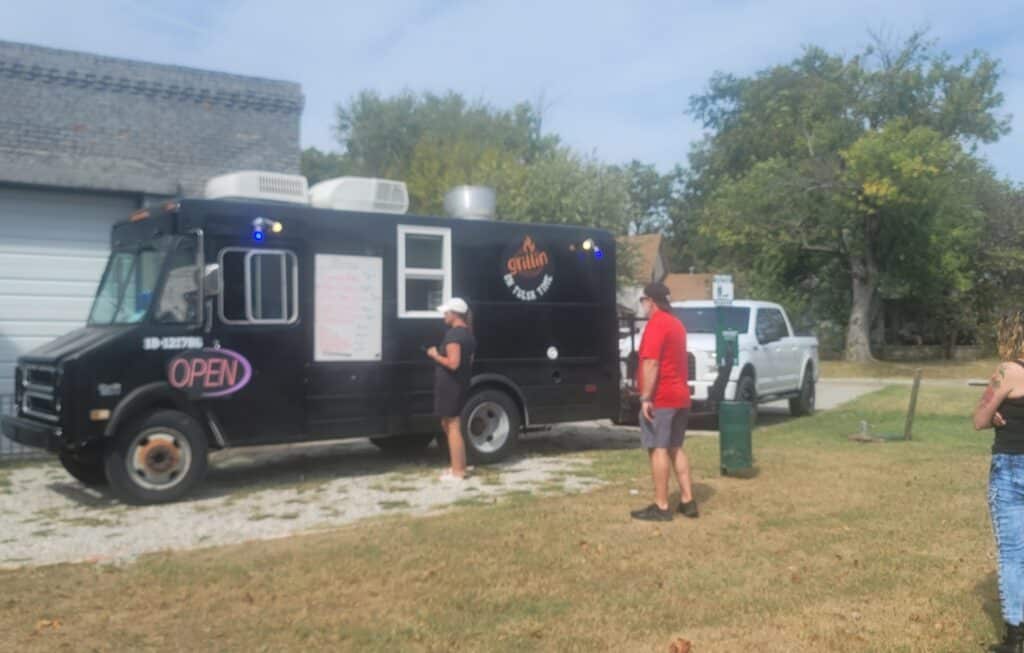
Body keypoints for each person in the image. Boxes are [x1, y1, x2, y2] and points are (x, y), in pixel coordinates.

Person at [975, 310, 1024, 653]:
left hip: (1011, 468)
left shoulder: (1008, 371)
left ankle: (1014, 638)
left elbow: (978, 419)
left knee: (1012, 554)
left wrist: (993, 415)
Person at [630, 282, 697, 522]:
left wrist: (646, 397)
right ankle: (688, 501)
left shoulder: (656, 325)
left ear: (651, 301)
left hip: (663, 397)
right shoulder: (677, 325)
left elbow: (651, 363)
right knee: (675, 447)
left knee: (658, 448)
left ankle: (661, 505)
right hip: (681, 395)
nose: (643, 305)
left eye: (643, 300)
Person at [427, 297, 477, 483]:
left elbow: (454, 364)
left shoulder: (454, 335)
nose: (443, 317)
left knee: (453, 424)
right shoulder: (469, 335)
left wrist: (435, 355)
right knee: (447, 424)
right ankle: (459, 464)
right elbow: (469, 361)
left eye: (446, 313)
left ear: (455, 314)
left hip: (451, 385)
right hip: (459, 383)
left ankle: (458, 472)